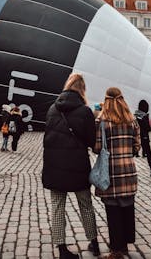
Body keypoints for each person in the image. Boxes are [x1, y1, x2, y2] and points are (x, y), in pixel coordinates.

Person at [42, 73, 99, 259]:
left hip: (54, 166)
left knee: (57, 206)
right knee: (86, 205)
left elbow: (47, 137)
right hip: (77, 166)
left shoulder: (52, 109)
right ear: (82, 89)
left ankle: (61, 248)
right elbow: (92, 141)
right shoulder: (85, 111)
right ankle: (94, 242)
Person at [94, 87, 140, 259]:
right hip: (128, 171)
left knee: (113, 212)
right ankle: (126, 245)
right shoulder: (132, 120)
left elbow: (98, 148)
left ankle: (116, 250)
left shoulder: (102, 122)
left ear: (106, 100)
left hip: (111, 172)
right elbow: (137, 147)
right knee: (127, 208)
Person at [134, 99, 151, 177]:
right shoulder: (144, 116)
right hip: (144, 137)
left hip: (137, 136)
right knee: (149, 155)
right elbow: (148, 127)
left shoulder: (135, 115)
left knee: (132, 153)